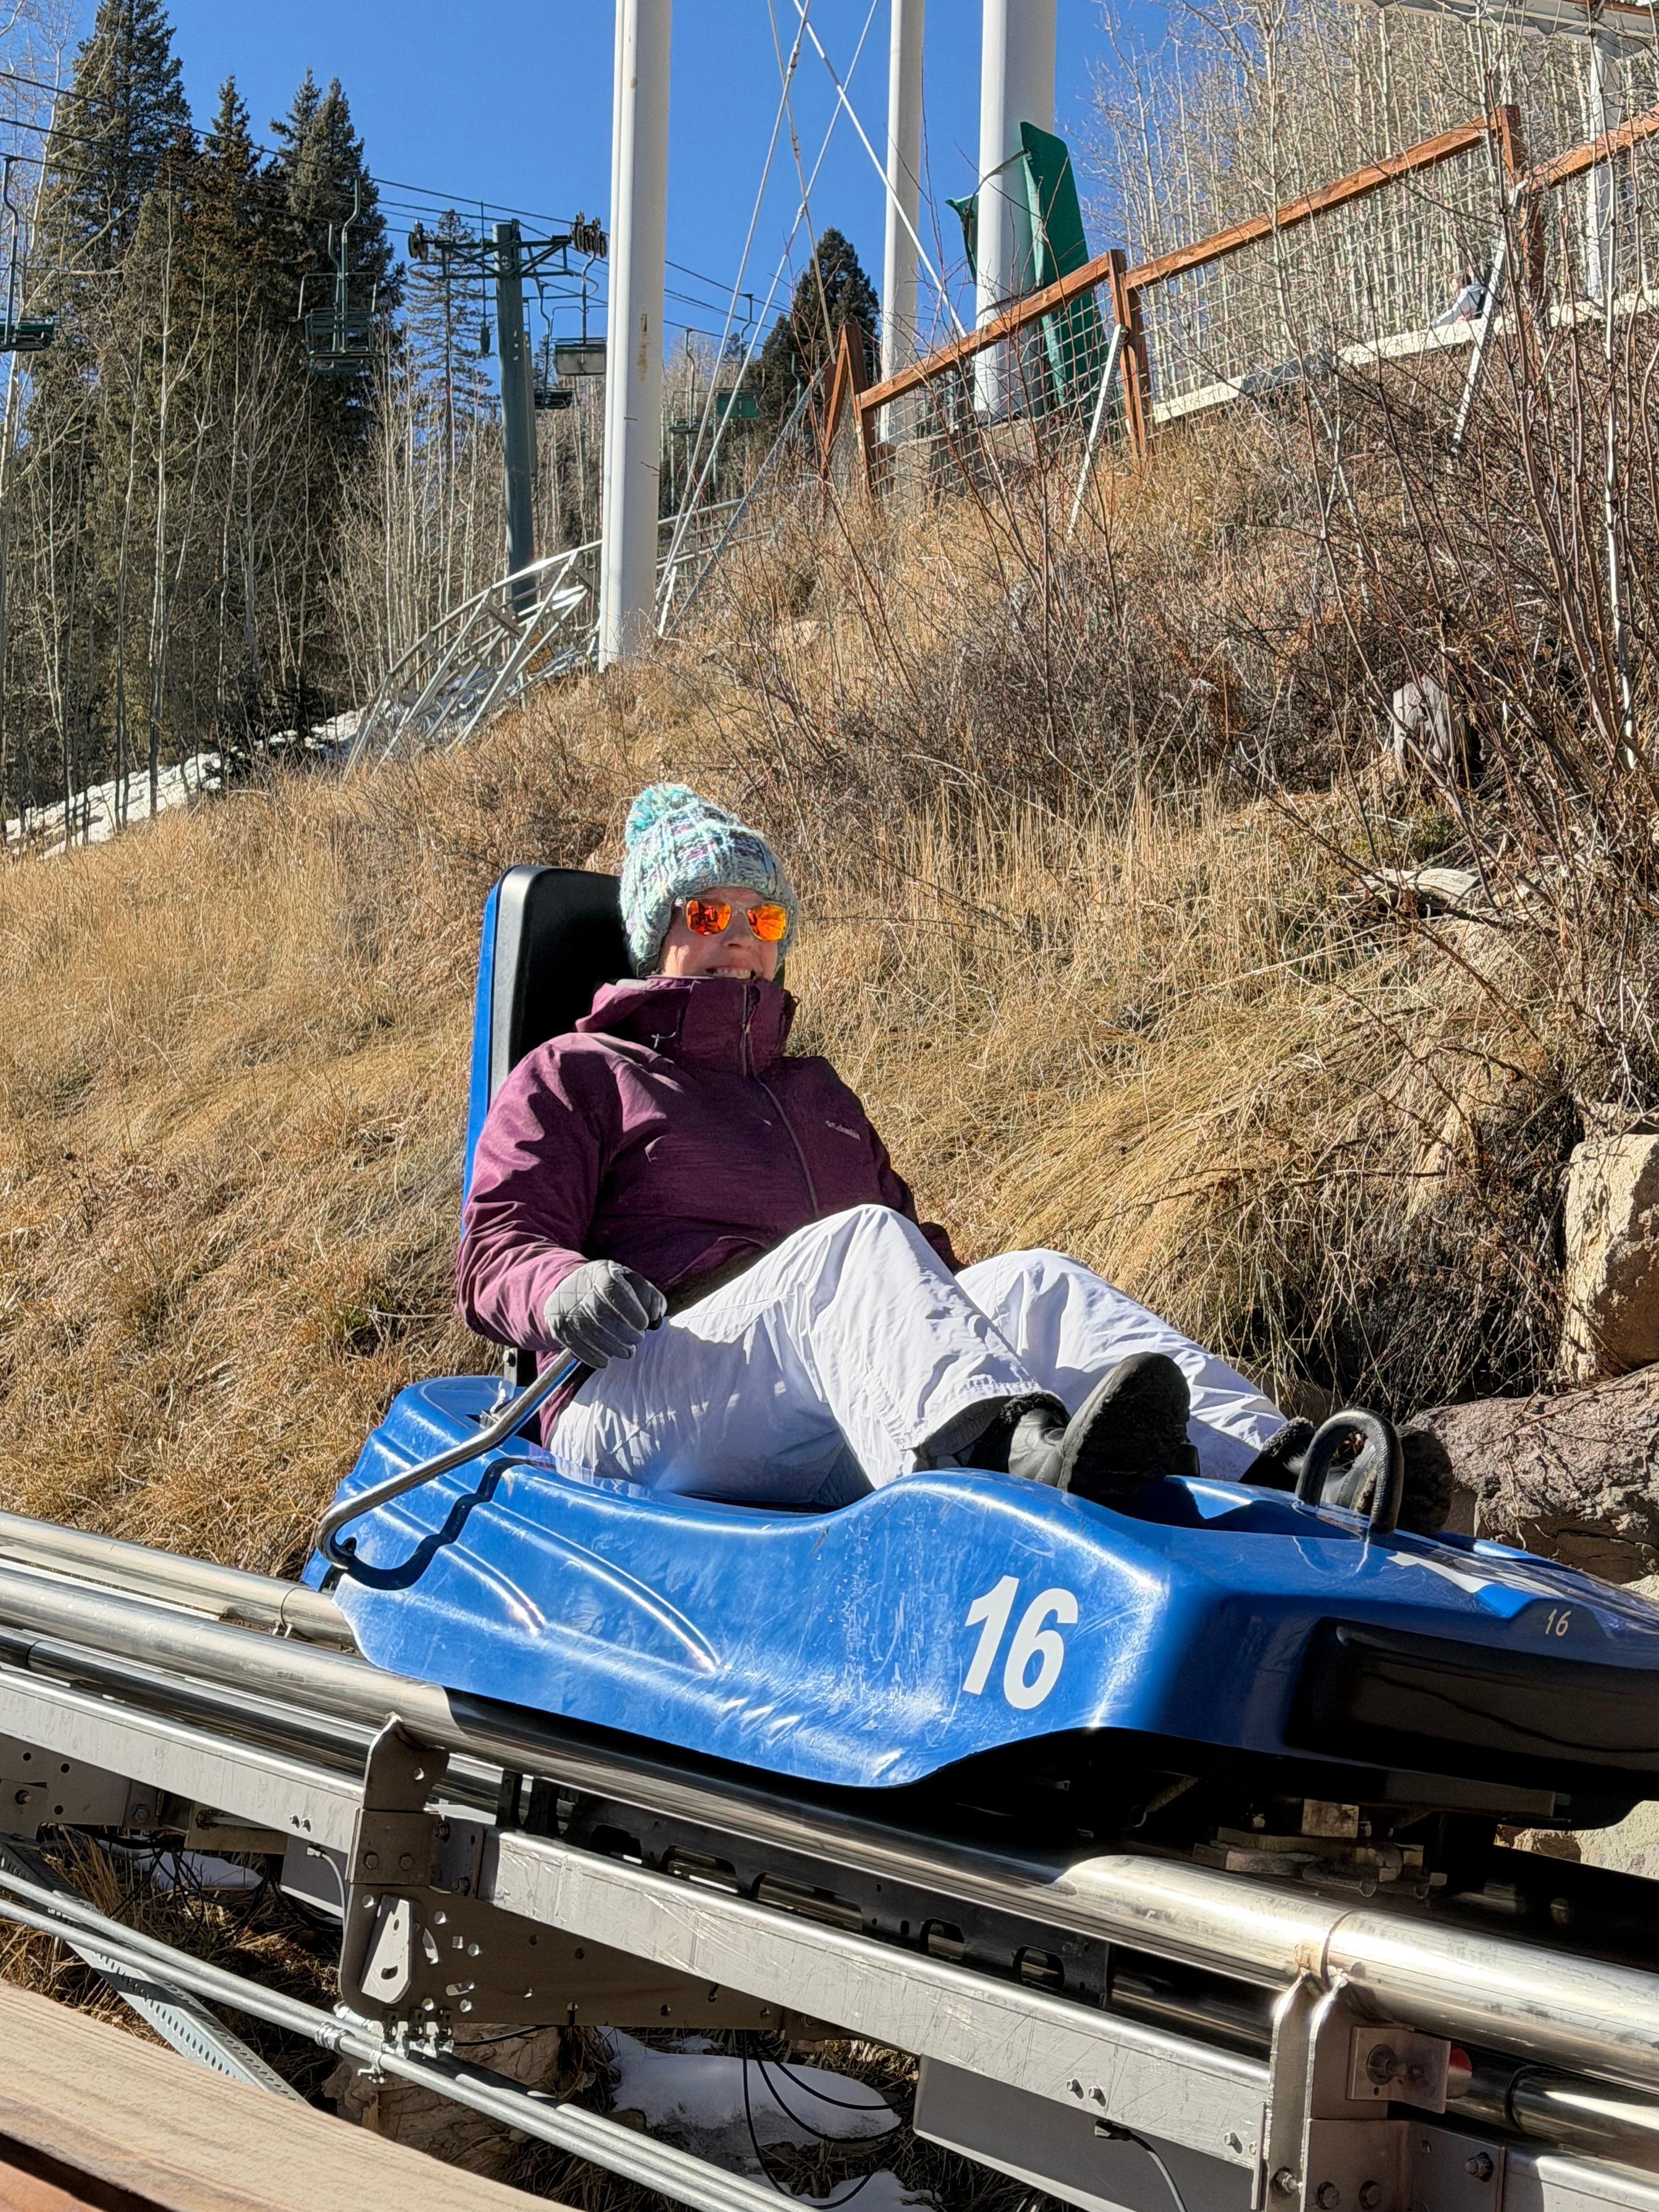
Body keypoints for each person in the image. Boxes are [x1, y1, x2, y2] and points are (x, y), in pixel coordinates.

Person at [458, 783, 1299, 1512]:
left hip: (808, 1401)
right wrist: (565, 1288)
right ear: (658, 933)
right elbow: (494, 1250)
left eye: (764, 915)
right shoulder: (579, 1071)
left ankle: (1279, 1474)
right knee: (855, 1247)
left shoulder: (814, 1095)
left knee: (1034, 1282)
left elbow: (917, 1269)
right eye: (709, 912)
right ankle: (995, 1478)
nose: (741, 935)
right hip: (635, 1394)